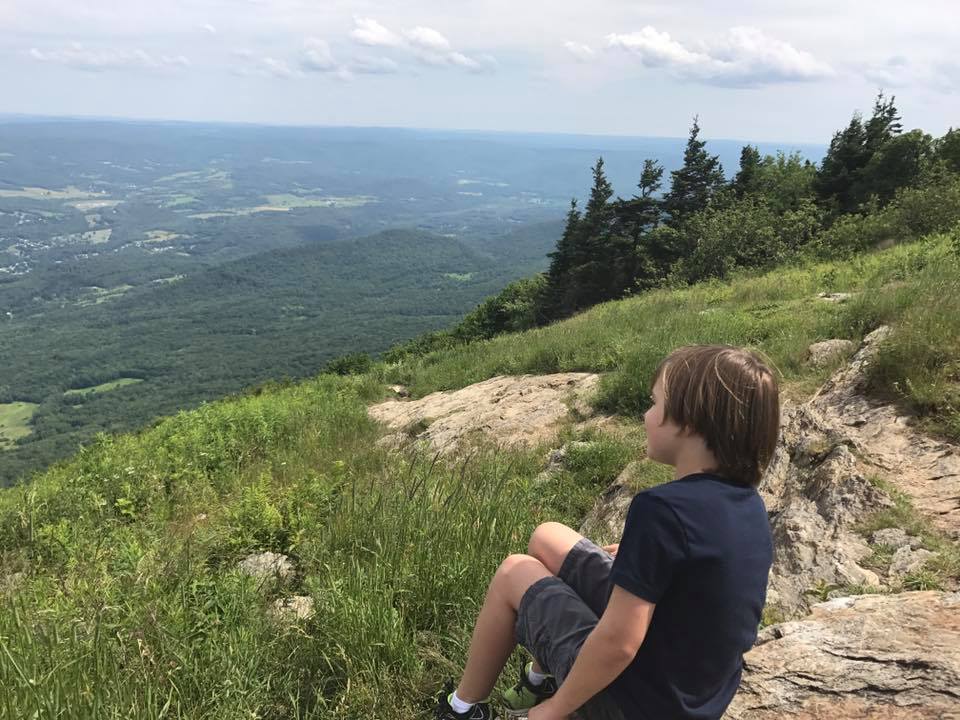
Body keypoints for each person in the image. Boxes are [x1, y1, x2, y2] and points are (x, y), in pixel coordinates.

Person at [433, 345, 780, 720]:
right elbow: (707, 588)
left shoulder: (661, 510)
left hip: (631, 703)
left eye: (655, 403)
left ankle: (463, 709)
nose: (646, 415)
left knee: (514, 571)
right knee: (548, 536)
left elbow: (619, 643)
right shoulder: (748, 504)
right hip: (693, 691)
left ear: (689, 422)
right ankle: (539, 681)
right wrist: (637, 562)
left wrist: (554, 710)